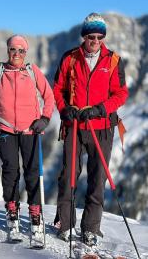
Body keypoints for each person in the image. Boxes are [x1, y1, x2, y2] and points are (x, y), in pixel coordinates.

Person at [53, 13, 128, 246]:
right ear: (84, 36)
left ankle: (90, 229)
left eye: (99, 36)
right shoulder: (70, 58)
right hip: (74, 125)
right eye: (90, 35)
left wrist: (100, 109)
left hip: (102, 127)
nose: (94, 40)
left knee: (97, 179)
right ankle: (65, 225)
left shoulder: (113, 60)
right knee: (68, 177)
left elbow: (121, 93)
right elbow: (57, 88)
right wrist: (65, 110)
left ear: (103, 37)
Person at [0, 35, 55, 240]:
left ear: (26, 53)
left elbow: (49, 96)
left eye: (21, 50)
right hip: (5, 129)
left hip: (31, 129)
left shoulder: (32, 71)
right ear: (7, 50)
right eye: (13, 50)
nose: (17, 54)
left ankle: (35, 213)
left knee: (32, 171)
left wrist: (45, 119)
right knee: (10, 171)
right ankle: (12, 210)